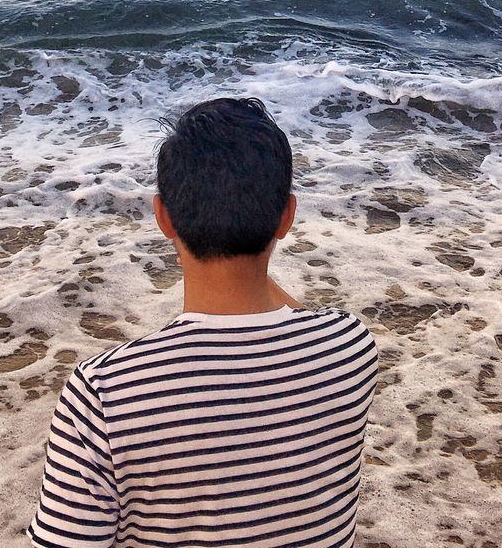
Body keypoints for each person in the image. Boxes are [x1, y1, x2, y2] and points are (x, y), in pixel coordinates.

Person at [26, 96, 379, 547]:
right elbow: (297, 318)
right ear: (288, 216)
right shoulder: (349, 346)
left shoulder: (105, 392)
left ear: (163, 217)